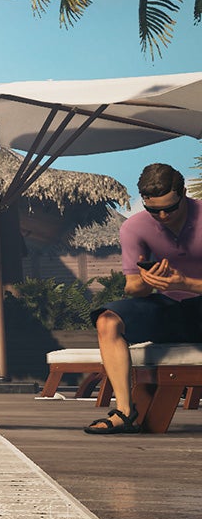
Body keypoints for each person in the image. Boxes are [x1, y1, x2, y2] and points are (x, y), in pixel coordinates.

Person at [85, 163, 202, 435]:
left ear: (183, 193)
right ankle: (125, 412)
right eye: (153, 210)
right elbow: (132, 287)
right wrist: (147, 283)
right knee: (107, 321)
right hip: (168, 307)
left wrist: (185, 283)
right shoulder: (134, 228)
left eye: (170, 208)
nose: (162, 216)